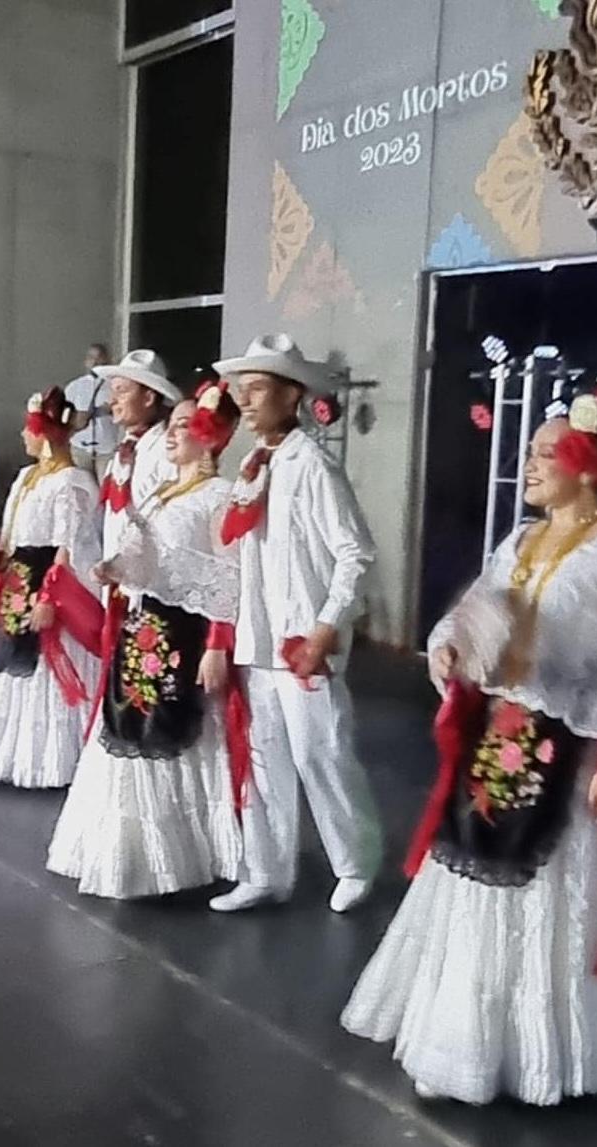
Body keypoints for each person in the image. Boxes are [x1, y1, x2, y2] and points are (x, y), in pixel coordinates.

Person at [342, 392, 597, 1105]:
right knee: (471, 871)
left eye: (543, 454)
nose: (528, 466)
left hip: (574, 747)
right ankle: (462, 1040)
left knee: (554, 890)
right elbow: (474, 607)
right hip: (504, 736)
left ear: (587, 465)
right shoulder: (520, 540)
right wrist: (451, 645)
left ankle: (544, 1053)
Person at [47, 383, 247, 898]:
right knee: (127, 723)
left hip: (184, 632)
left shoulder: (220, 498)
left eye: (186, 425)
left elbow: (231, 576)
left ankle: (192, 852)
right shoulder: (161, 493)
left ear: (211, 435)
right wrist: (116, 567)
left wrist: (219, 644)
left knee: (176, 733)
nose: (175, 434)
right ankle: (131, 854)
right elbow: (145, 554)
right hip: (144, 624)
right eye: (174, 424)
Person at [207, 334, 382, 914]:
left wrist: (327, 626)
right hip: (259, 639)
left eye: (258, 390)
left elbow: (354, 552)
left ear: (292, 395)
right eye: (243, 390)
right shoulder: (255, 465)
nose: (247, 401)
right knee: (261, 756)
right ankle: (265, 869)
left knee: (321, 752)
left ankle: (355, 862)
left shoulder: (313, 465)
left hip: (301, 639)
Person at [0, 387, 103, 788]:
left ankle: (51, 760)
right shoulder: (26, 477)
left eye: (29, 427)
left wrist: (50, 596)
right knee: (10, 663)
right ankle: (6, 754)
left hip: (46, 580)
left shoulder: (72, 481)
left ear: (45, 431)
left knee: (45, 668)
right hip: (18, 576)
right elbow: (10, 533)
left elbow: (69, 546)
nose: (24, 435)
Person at [93, 349, 180, 562]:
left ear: (148, 397)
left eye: (121, 391)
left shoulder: (166, 450)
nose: (112, 400)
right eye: (112, 391)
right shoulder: (125, 449)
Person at [65, 342, 119, 478]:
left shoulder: (115, 385)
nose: (95, 361)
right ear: (86, 361)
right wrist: (76, 419)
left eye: (99, 357)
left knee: (105, 490)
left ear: (107, 360)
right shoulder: (75, 386)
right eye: (91, 357)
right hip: (80, 448)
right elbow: (64, 415)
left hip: (106, 448)